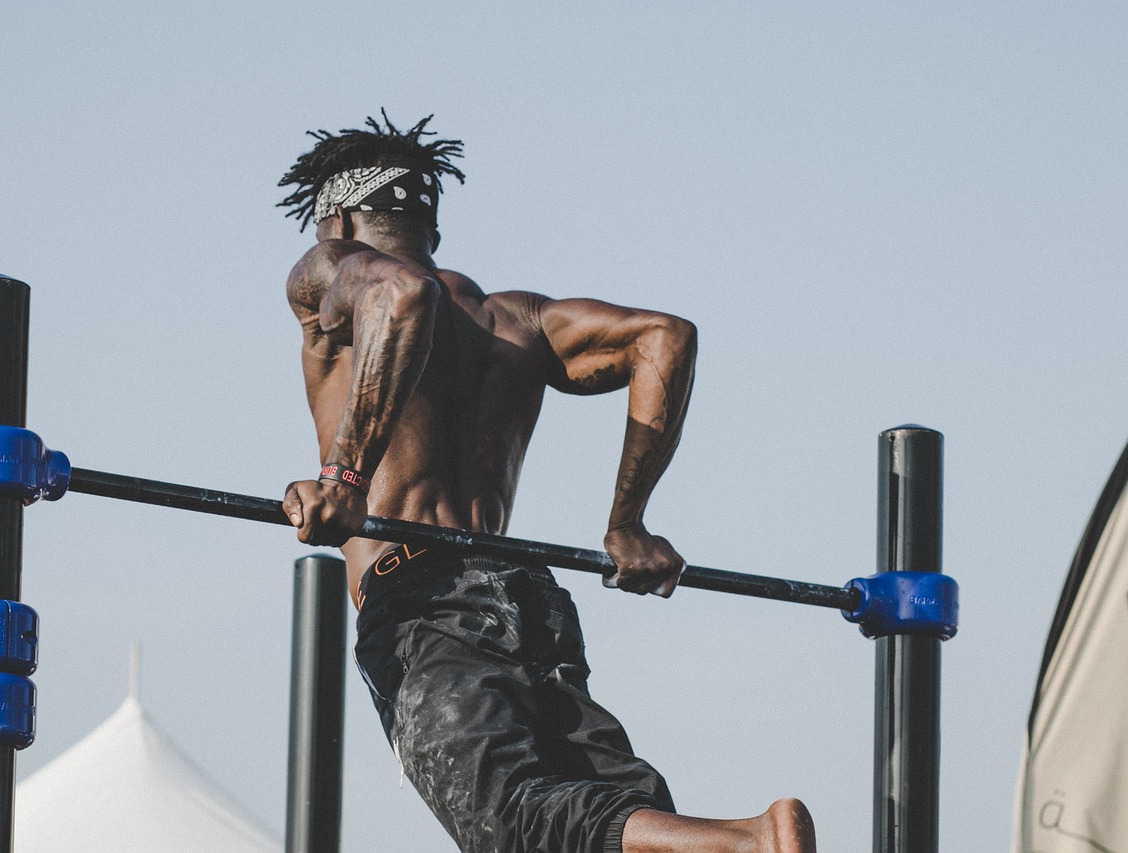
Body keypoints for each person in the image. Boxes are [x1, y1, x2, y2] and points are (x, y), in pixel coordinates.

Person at [278, 113, 816, 853]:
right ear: (430, 224)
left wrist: (343, 477)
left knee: (513, 824)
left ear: (335, 220)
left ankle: (754, 838)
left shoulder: (330, 269)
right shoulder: (514, 321)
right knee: (606, 819)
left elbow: (400, 296)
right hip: (525, 595)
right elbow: (663, 336)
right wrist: (628, 520)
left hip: (421, 600)